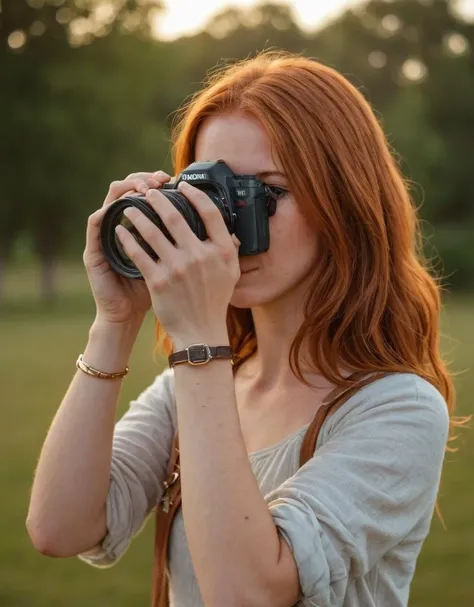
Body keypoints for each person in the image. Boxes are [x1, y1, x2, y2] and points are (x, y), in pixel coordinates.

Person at [26, 52, 457, 607]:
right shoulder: (196, 388)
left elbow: (245, 592)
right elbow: (59, 529)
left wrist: (200, 341)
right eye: (214, 196)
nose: (229, 228)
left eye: (266, 194)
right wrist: (116, 319)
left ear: (344, 201)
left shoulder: (396, 408)